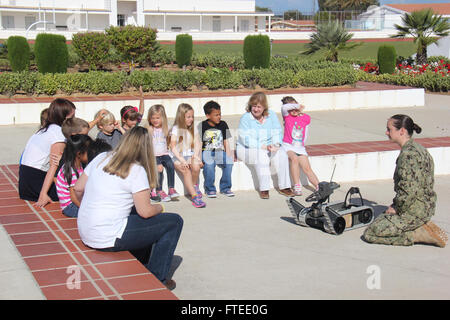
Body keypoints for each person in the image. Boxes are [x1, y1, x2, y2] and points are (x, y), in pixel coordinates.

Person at [74, 126, 183, 290]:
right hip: (107, 237)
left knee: (135, 212)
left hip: (85, 231)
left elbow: (78, 188)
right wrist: (160, 207)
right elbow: (145, 212)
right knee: (174, 222)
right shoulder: (136, 169)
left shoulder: (102, 157)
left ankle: (140, 260)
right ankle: (157, 277)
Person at [363, 114, 447, 248]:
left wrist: (396, 208)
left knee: (371, 233)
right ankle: (420, 226)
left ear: (401, 131)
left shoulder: (408, 155)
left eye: (389, 129)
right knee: (383, 218)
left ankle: (416, 234)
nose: (386, 132)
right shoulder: (419, 149)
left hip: (413, 211)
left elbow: (408, 191)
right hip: (425, 207)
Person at [236, 92, 294, 199]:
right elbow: (245, 139)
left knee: (281, 154)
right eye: (254, 106)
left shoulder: (271, 115)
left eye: (259, 107)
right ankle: (264, 188)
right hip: (247, 148)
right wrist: (263, 147)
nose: (256, 109)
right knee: (261, 155)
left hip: (268, 146)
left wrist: (276, 145)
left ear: (264, 107)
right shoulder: (246, 118)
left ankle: (285, 186)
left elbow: (277, 132)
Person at [19, 98, 76, 207]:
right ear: (64, 117)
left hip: (25, 183)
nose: (74, 119)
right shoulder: (58, 134)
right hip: (37, 182)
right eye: (72, 117)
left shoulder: (44, 129)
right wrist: (43, 194)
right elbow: (54, 165)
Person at [280, 96, 319, 195]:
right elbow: (284, 108)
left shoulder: (305, 118)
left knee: (307, 168)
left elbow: (305, 133)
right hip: (288, 146)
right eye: (291, 108)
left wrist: (299, 110)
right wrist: (297, 106)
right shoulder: (287, 116)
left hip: (300, 147)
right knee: (294, 159)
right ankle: (297, 185)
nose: (293, 110)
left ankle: (318, 186)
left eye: (295, 108)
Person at [169, 103, 205, 208]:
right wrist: (182, 160)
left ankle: (193, 186)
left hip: (189, 154)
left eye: (192, 117)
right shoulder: (175, 129)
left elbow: (198, 143)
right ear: (181, 117)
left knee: (196, 166)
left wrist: (197, 156)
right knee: (186, 170)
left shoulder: (193, 128)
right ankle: (194, 196)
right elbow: (173, 147)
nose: (191, 119)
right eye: (188, 117)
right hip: (177, 156)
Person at [200, 100, 235, 198]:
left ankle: (225, 188)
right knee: (209, 165)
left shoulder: (223, 124)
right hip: (206, 152)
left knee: (229, 162)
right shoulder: (202, 125)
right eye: (216, 115)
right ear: (208, 115)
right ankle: (210, 189)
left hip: (219, 151)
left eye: (220, 114)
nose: (219, 117)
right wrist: (199, 158)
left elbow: (225, 141)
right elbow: (200, 143)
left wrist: (229, 155)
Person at [147, 104, 179, 202]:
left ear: (163, 118)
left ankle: (171, 189)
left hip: (164, 153)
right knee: (159, 169)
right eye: (153, 118)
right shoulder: (149, 129)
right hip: (154, 155)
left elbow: (172, 138)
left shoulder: (167, 128)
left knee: (170, 165)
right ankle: (159, 190)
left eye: (158, 118)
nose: (155, 120)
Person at [55, 134, 92, 218]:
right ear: (79, 154)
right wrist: (85, 209)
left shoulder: (79, 165)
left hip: (77, 202)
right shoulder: (72, 171)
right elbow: (74, 198)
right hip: (71, 207)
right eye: (89, 151)